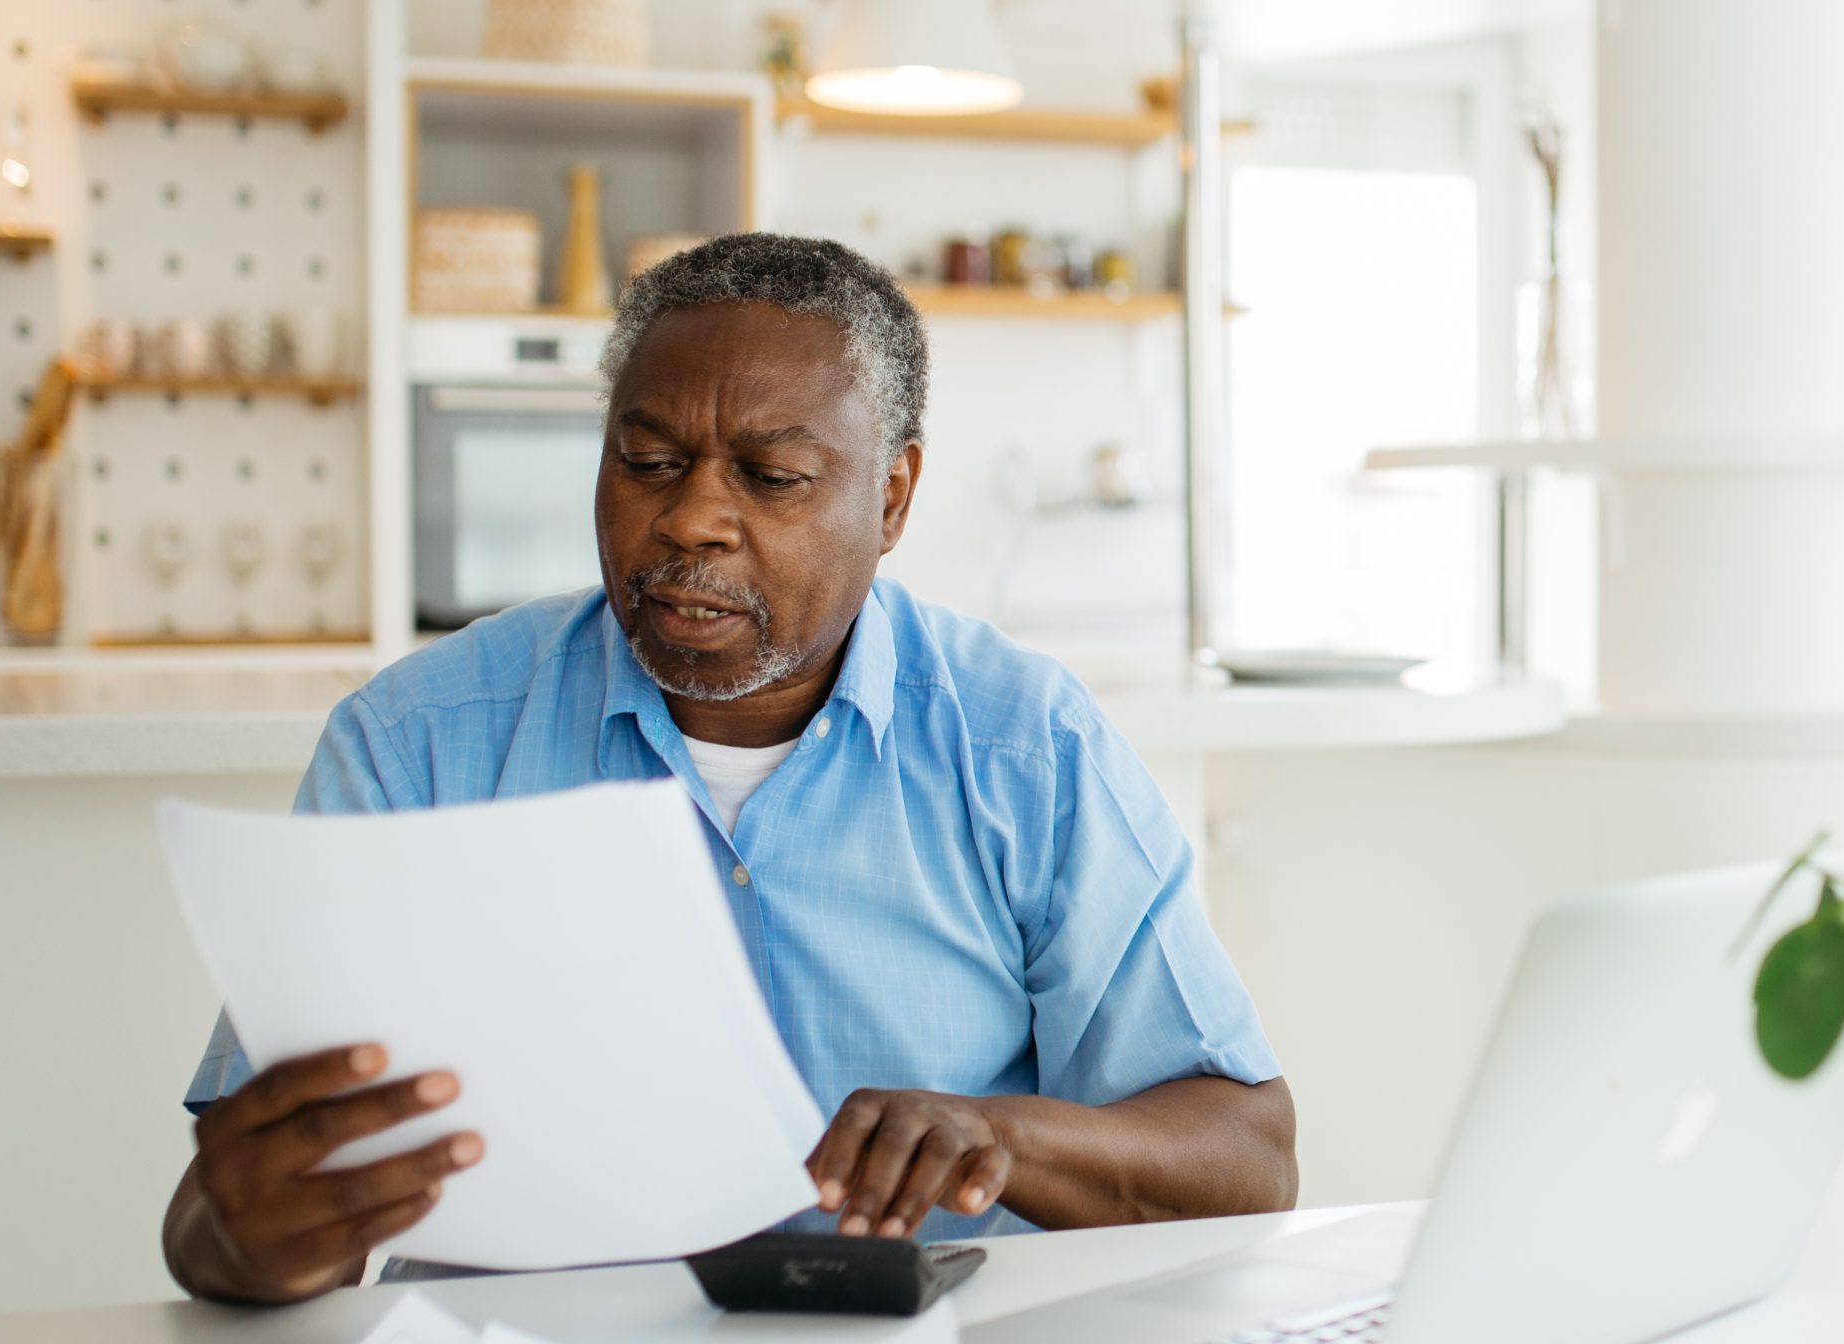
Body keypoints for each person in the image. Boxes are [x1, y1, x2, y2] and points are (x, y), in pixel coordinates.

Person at [160, 233, 1297, 1305]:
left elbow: (1247, 1157)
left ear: (891, 497)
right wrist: (255, 1235)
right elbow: (217, 1228)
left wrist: (1007, 1136)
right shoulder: (419, 742)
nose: (692, 517)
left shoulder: (1025, 746)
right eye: (647, 460)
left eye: (771, 475)